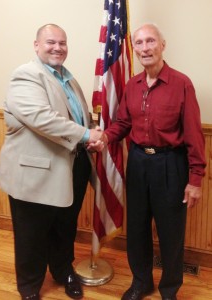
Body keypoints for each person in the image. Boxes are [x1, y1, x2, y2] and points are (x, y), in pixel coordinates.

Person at [95, 24, 206, 300]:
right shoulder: (132, 85)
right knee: (137, 228)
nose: (145, 48)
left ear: (162, 45)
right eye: (139, 43)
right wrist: (105, 138)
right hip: (139, 163)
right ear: (135, 49)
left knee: (171, 233)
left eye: (150, 41)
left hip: (171, 165)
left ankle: (169, 289)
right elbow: (122, 123)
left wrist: (195, 180)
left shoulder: (182, 84)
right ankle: (141, 282)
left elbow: (194, 134)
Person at [0, 24, 103, 300]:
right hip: (36, 172)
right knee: (32, 233)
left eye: (62, 43)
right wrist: (86, 133)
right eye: (50, 42)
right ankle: (30, 288)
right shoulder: (26, 75)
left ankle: (62, 271)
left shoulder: (68, 78)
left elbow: (79, 117)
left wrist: (91, 133)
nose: (58, 47)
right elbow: (42, 118)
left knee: (64, 226)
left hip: (72, 166)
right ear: (36, 45)